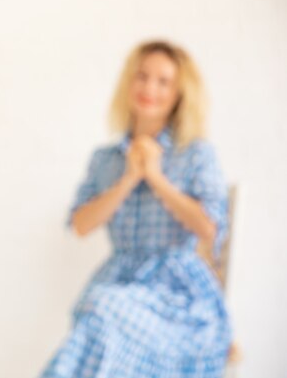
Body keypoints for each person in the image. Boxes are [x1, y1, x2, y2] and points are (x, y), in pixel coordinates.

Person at [41, 40, 232, 378]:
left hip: (180, 297)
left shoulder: (196, 154)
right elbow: (80, 224)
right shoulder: (106, 159)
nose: (149, 88)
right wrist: (128, 178)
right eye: (141, 76)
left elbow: (210, 229)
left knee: (102, 314)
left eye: (163, 81)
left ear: (179, 94)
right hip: (119, 282)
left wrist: (156, 178)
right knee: (102, 315)